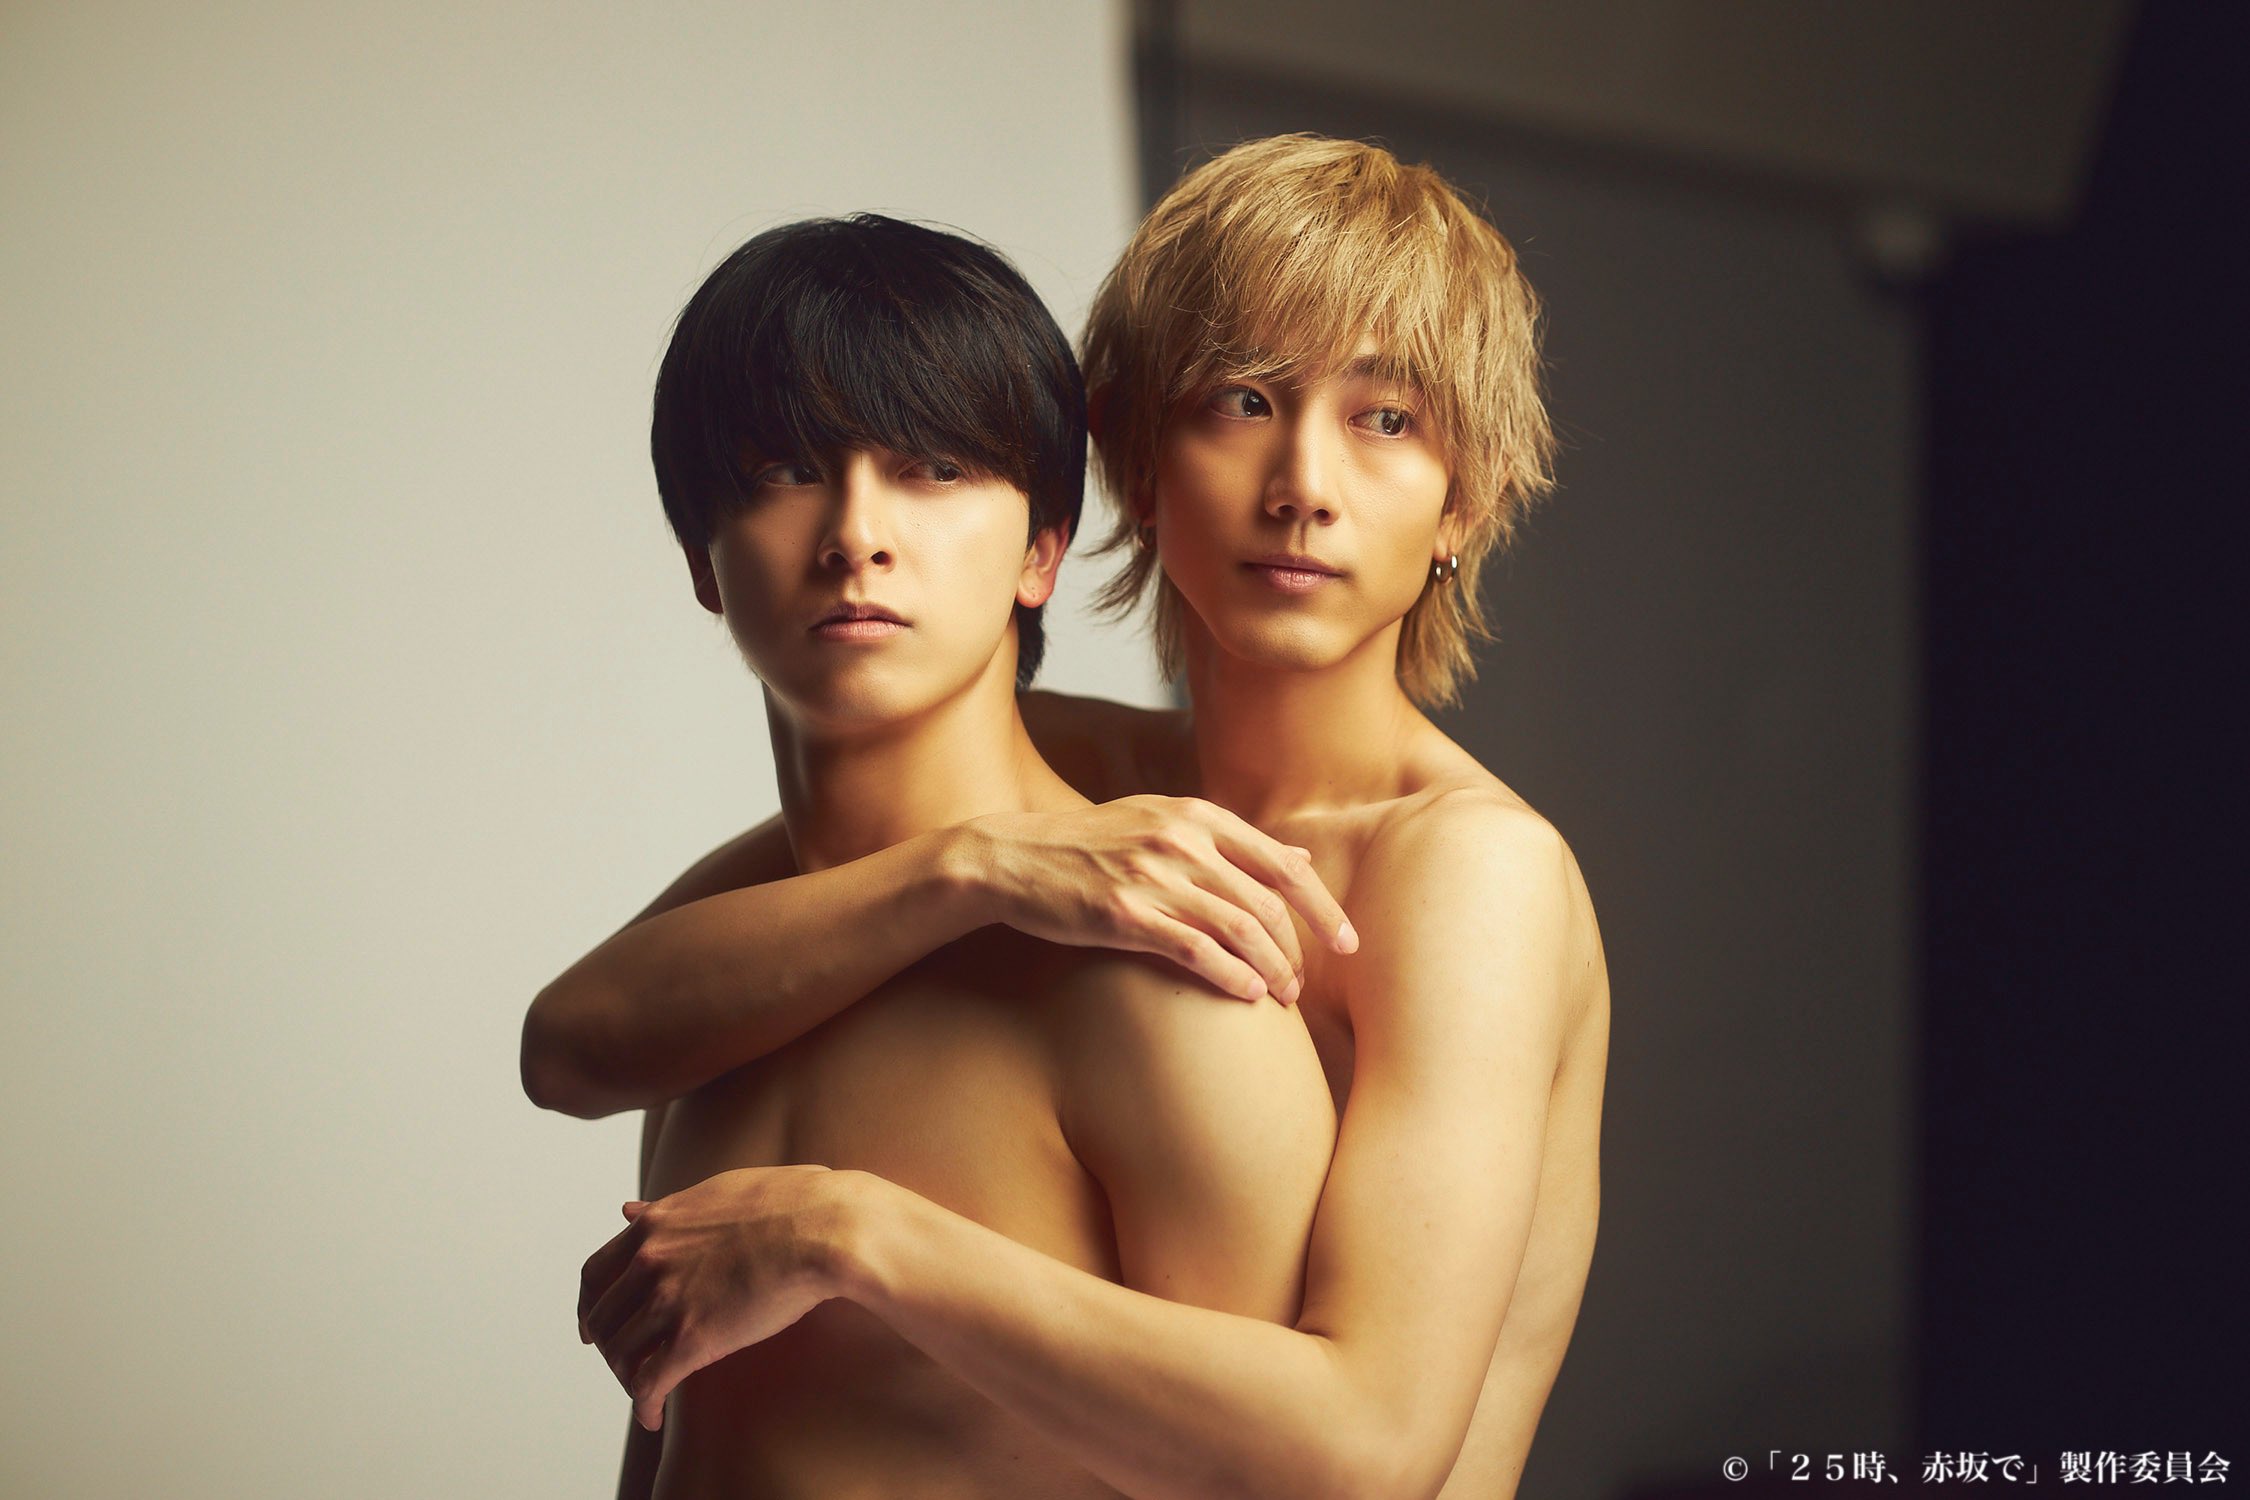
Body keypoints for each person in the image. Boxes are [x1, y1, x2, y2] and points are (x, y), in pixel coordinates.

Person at [551, 134, 1609, 1500]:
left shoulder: (1466, 870)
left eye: (1386, 418)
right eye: (1241, 400)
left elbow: (1371, 1447)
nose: (1304, 484)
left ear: (1464, 497)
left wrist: (850, 1235)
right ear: (1135, 464)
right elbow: (584, 1033)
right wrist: (971, 864)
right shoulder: (1078, 788)